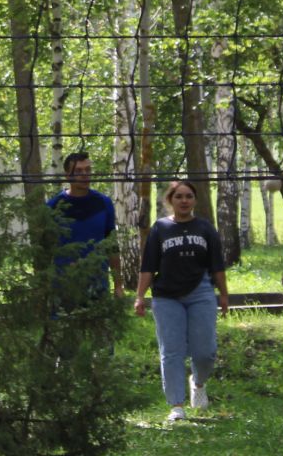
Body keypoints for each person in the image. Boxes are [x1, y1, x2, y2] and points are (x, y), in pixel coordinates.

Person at [133, 179, 231, 422]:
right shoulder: (160, 229)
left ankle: (198, 383)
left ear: (195, 200)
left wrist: (224, 295)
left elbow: (217, 265)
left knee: (205, 351)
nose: (184, 201)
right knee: (172, 352)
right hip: (166, 296)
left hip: (201, 293)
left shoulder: (206, 228)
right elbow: (148, 266)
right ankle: (176, 405)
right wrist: (139, 296)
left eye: (188, 196)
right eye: (179, 197)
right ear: (170, 200)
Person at [46, 150, 124, 304]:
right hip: (64, 286)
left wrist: (118, 286)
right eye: (79, 171)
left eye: (88, 170)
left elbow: (112, 246)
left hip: (98, 286)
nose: (85, 175)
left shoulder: (103, 203)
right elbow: (45, 251)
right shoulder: (53, 206)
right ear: (67, 175)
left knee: (101, 327)